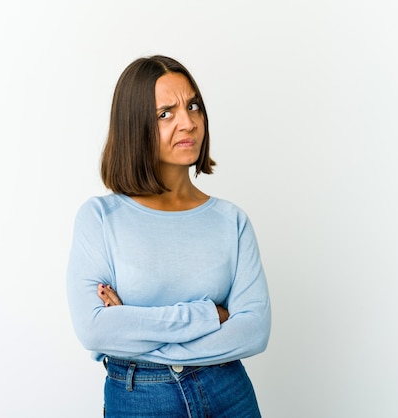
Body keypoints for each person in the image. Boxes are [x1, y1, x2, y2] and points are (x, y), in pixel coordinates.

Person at [67, 55, 271, 417]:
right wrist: (209, 315)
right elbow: (95, 330)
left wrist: (133, 328)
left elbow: (254, 331)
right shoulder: (100, 218)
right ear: (134, 126)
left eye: (193, 106)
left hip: (229, 394)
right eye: (166, 113)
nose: (188, 123)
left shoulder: (231, 221)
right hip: (140, 399)